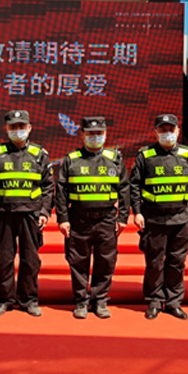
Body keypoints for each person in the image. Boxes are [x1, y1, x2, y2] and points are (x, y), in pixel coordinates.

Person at [130, 114, 188, 320]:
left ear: (178, 131)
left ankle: (173, 302)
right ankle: (154, 301)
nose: (167, 133)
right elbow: (134, 185)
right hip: (154, 218)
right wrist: (137, 211)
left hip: (180, 218)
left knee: (177, 262)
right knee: (154, 263)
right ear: (155, 132)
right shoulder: (145, 155)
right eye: (163, 130)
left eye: (171, 129)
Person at [55, 116, 129, 319]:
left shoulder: (115, 158)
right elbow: (61, 191)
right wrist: (63, 218)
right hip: (79, 219)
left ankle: (100, 300)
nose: (95, 137)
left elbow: (124, 188)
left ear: (105, 134)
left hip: (106, 219)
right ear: (82, 135)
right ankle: (81, 301)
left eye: (99, 133)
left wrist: (123, 217)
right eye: (90, 133)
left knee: (106, 261)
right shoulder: (72, 159)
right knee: (78, 261)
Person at [0, 110, 54, 317]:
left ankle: (29, 300)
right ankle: (5, 299)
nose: (18, 130)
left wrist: (44, 211)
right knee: (4, 260)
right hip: (3, 214)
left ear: (29, 128)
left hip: (31, 215)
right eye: (13, 127)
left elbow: (48, 186)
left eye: (21, 126)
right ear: (6, 129)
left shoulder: (39, 154)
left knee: (30, 260)